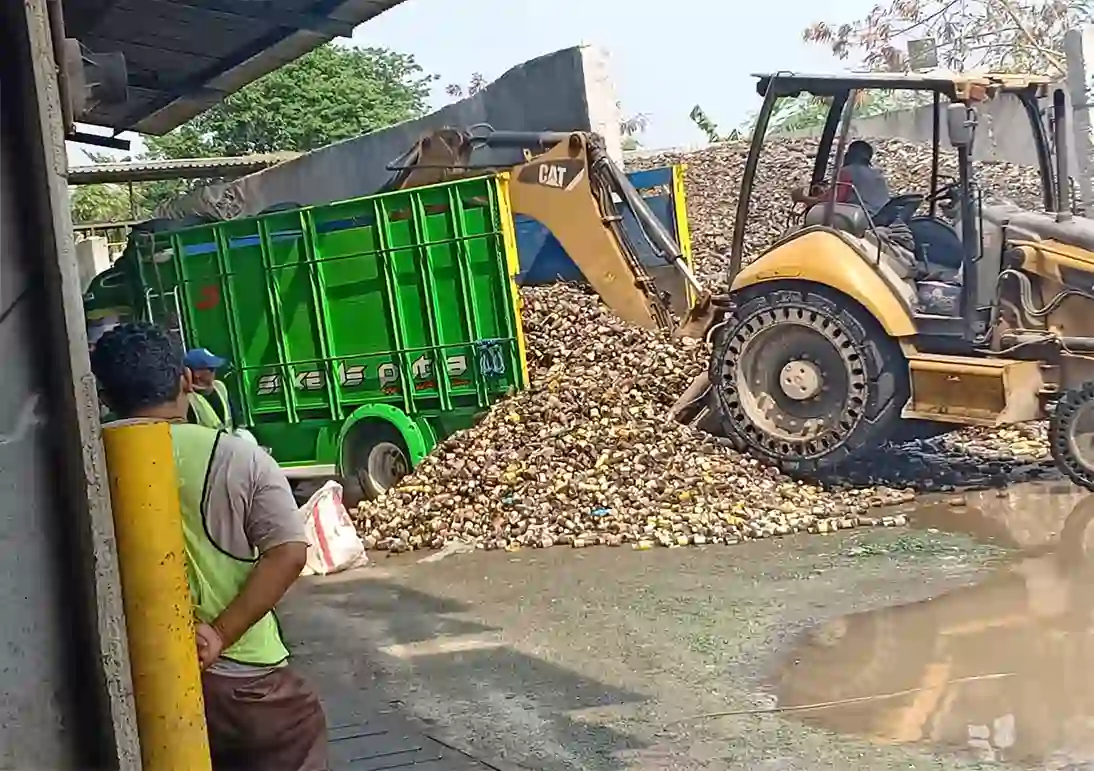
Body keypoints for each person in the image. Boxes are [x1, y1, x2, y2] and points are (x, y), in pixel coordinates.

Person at [91, 322, 328, 771]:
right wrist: (219, 634)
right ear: (185, 381)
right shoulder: (239, 457)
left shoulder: (88, 460)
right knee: (298, 730)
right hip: (244, 683)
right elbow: (289, 552)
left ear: (104, 397)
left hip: (131, 682)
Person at [791, 140, 891, 217]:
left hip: (861, 222)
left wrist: (803, 198)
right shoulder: (878, 175)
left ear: (849, 155)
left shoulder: (847, 172)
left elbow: (831, 201)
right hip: (881, 220)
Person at [185, 347, 235, 432]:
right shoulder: (188, 400)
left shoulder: (220, 387)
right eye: (211, 369)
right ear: (197, 373)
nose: (215, 372)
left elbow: (233, 417)